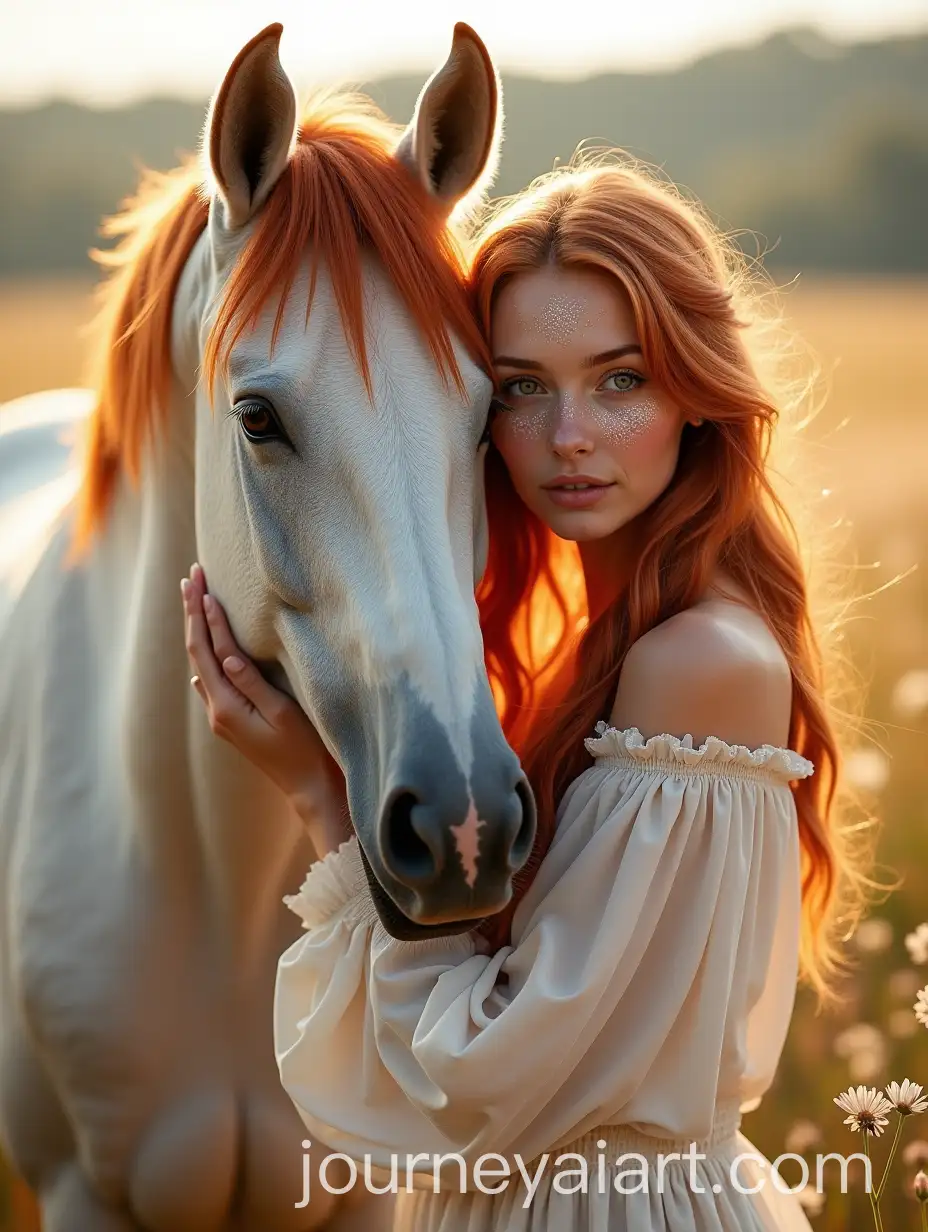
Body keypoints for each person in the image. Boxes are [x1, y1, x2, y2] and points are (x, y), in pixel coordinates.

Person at [181, 156, 871, 1230]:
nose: (568, 438)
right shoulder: (610, 644)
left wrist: (324, 803)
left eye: (620, 378)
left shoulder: (699, 663)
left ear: (695, 386)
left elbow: (478, 1078)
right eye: (521, 387)